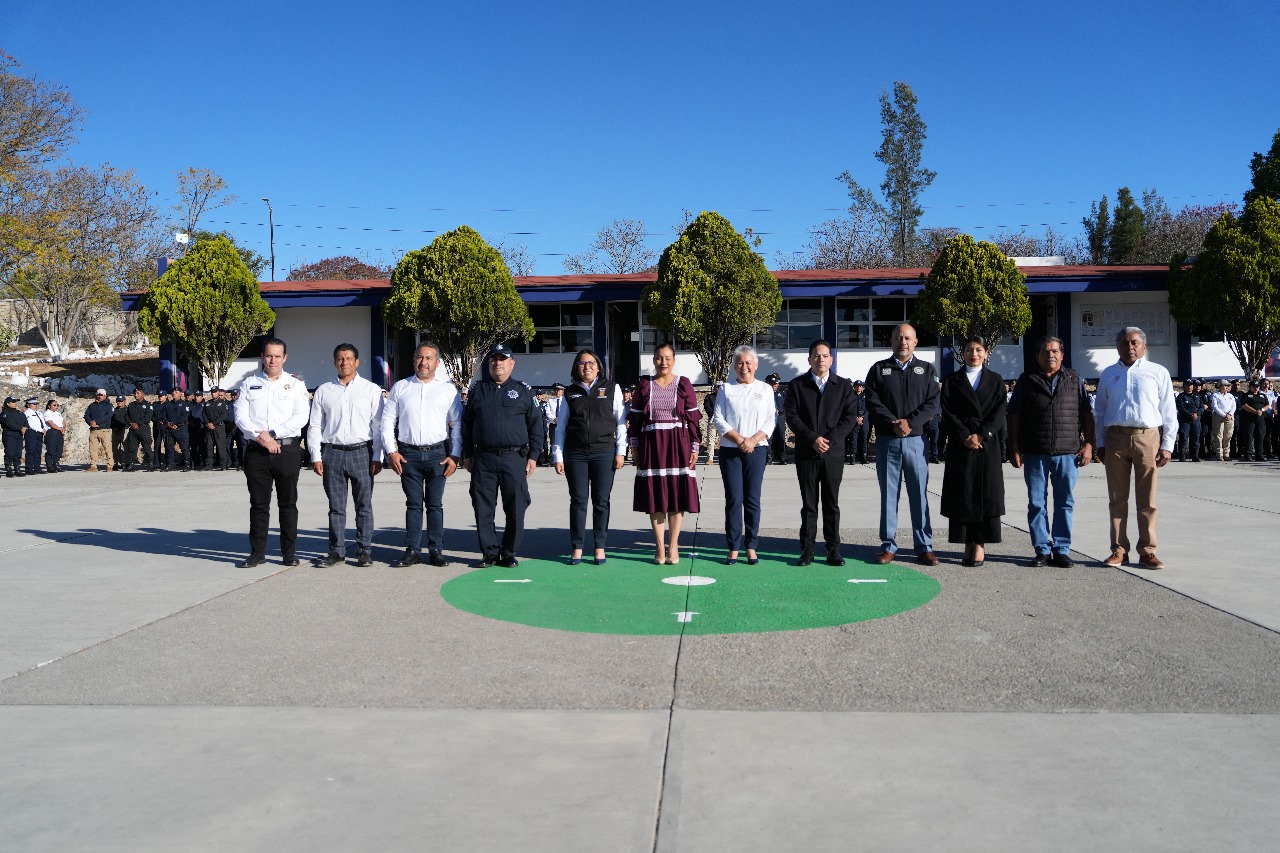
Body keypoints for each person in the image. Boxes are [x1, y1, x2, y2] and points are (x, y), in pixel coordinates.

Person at [1094, 326, 1178, 570]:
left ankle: (1148, 551)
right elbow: (1099, 411)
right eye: (1124, 343)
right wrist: (1100, 442)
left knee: (1147, 499)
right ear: (1117, 346)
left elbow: (1169, 411)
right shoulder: (1109, 374)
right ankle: (1119, 549)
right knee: (1117, 498)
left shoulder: (1157, 372)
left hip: (1147, 438)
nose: (1129, 347)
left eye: (1134, 343)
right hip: (1116, 438)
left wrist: (1168, 445)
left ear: (1144, 346)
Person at [1007, 336, 1095, 568]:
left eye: (1055, 351)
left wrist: (1089, 444)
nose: (1050, 355)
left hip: (1067, 453)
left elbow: (1087, 414)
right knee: (1037, 503)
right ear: (1038, 356)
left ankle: (1062, 549)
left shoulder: (1074, 379)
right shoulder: (1027, 380)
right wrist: (1014, 446)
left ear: (1062, 355)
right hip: (1035, 452)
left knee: (1064, 502)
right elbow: (1014, 415)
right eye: (1045, 351)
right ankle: (1042, 549)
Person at [864, 325, 941, 566]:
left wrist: (911, 423)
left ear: (916, 341)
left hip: (916, 441)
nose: (903, 342)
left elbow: (933, 403)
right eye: (898, 337)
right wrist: (893, 423)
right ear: (891, 340)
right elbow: (872, 401)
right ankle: (888, 546)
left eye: (908, 338)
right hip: (888, 441)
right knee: (889, 496)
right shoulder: (878, 369)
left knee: (919, 495)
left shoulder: (927, 370)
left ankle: (924, 546)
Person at [462, 343, 544, 568]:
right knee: (483, 508)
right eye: (494, 359)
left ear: (512, 363)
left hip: (513, 458)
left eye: (503, 359)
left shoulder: (524, 391)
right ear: (489, 363)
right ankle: (489, 553)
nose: (498, 363)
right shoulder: (478, 390)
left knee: (516, 507)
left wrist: (534, 455)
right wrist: (467, 454)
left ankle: (508, 552)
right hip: (483, 458)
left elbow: (536, 425)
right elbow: (466, 425)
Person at [381, 342, 462, 568]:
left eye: (428, 358)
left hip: (438, 454)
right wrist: (391, 451)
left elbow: (457, 424)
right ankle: (413, 550)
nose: (423, 362)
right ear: (414, 359)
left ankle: (436, 549)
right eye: (419, 357)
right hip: (409, 455)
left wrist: (455, 455)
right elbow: (387, 421)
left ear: (437, 362)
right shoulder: (400, 387)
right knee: (413, 504)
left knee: (435, 504)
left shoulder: (447, 389)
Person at [233, 338, 310, 568]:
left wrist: (273, 433)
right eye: (269, 355)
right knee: (258, 505)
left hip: (287, 450)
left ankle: (289, 553)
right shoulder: (249, 383)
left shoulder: (295, 385)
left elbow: (300, 417)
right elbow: (240, 416)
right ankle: (257, 553)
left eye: (277, 356)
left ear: (285, 358)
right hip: (257, 452)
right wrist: (262, 438)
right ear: (262, 357)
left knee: (288, 505)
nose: (273, 360)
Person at [308, 343, 384, 568]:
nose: (344, 363)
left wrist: (377, 456)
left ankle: (364, 550)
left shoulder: (371, 390)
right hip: (332, 453)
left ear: (357, 362)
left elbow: (378, 425)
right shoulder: (324, 390)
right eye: (340, 359)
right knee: (336, 507)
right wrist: (315, 455)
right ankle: (336, 551)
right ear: (334, 362)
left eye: (349, 358)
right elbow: (314, 425)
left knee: (364, 505)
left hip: (362, 452)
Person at [784, 339, 859, 566]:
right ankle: (807, 550)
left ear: (831, 359)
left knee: (831, 503)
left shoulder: (843, 385)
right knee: (809, 504)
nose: (821, 359)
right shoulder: (798, 385)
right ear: (809, 359)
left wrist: (830, 440)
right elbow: (792, 417)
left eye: (825, 355)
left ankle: (833, 550)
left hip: (833, 453)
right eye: (816, 356)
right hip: (807, 452)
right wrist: (813, 438)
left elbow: (849, 417)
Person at [629, 343, 701, 565]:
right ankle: (659, 547)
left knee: (676, 496)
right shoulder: (644, 385)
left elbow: (693, 419)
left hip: (678, 444)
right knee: (656, 497)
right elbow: (635, 419)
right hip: (651, 444)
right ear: (653, 360)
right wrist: (635, 446)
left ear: (674, 360)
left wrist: (695, 446)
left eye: (668, 358)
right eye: (659, 358)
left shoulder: (684, 384)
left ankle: (674, 545)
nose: (664, 362)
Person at [552, 348, 626, 565]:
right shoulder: (569, 392)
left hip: (604, 451)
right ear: (577, 367)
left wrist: (621, 451)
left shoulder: (612, 389)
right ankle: (577, 547)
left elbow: (620, 422)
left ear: (598, 366)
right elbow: (561, 426)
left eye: (591, 362)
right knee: (578, 501)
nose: (587, 367)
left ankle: (600, 546)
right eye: (582, 363)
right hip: (575, 454)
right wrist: (558, 454)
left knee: (601, 501)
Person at [939, 337, 1006, 567]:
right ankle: (967, 542)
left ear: (987, 353)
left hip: (986, 445)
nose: (974, 354)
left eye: (978, 350)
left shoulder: (996, 381)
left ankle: (980, 543)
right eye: (969, 350)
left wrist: (982, 435)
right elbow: (947, 411)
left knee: (985, 494)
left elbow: (999, 412)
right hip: (962, 445)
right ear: (962, 353)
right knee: (964, 494)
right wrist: (964, 435)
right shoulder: (952, 380)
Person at [714, 345, 776, 565]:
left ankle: (751, 545)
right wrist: (740, 440)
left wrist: (752, 440)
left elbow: (771, 420)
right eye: (740, 362)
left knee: (752, 499)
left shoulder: (766, 389)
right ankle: (733, 546)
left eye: (749, 362)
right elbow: (718, 419)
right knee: (733, 499)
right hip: (731, 451)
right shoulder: (726, 389)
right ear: (734, 366)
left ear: (756, 365)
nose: (744, 367)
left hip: (756, 450)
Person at [124, 387, 155, 472]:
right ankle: (131, 464)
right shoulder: (131, 405)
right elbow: (126, 416)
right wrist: (131, 423)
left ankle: (151, 464)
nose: (136, 395)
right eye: (135, 393)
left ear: (142, 394)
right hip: (133, 430)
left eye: (138, 393)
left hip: (143, 429)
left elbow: (148, 417)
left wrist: (138, 424)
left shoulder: (148, 405)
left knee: (146, 447)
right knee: (132, 448)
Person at [83, 388, 113, 473]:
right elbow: (86, 415)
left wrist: (97, 422)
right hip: (93, 430)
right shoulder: (92, 405)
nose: (99, 396)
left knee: (107, 448)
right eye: (98, 394)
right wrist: (90, 422)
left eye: (101, 395)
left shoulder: (109, 406)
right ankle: (93, 466)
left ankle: (110, 465)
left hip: (104, 430)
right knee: (93, 449)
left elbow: (108, 416)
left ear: (105, 396)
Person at [1237, 380, 1267, 462]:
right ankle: (1248, 455)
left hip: (1260, 418)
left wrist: (1262, 410)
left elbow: (1267, 405)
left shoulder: (1262, 395)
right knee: (1249, 437)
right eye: (1254, 387)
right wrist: (1254, 411)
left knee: (1260, 436)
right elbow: (1244, 405)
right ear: (1250, 387)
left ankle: (1259, 454)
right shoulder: (1246, 395)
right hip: (1249, 419)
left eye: (1257, 387)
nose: (1256, 388)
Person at [162, 388, 191, 471]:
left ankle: (187, 464)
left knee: (184, 447)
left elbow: (185, 416)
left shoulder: (184, 404)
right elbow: (163, 415)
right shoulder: (168, 404)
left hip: (180, 428)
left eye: (176, 392)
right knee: (169, 447)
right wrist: (168, 423)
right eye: (173, 392)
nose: (174, 393)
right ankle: (170, 464)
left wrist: (175, 423)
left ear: (181, 394)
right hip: (170, 429)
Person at [1175, 379, 1202, 462]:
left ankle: (1195, 455)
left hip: (1196, 419)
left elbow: (1201, 407)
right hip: (1185, 420)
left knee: (1196, 437)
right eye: (1187, 385)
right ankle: (1182, 455)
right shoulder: (1181, 396)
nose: (1189, 387)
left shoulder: (1197, 396)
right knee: (1183, 437)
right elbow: (1180, 407)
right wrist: (1190, 414)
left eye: (1191, 385)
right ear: (1184, 386)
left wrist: (1197, 414)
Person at [1209, 380, 1236, 462]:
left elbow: (1233, 406)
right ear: (1219, 386)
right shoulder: (1215, 395)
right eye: (1224, 386)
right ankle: (1219, 454)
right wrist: (1224, 415)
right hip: (1219, 416)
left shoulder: (1230, 395)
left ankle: (1226, 454)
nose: (1226, 387)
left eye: (1227, 386)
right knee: (1219, 435)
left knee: (1228, 435)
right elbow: (1215, 407)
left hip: (1229, 416)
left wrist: (1230, 414)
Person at [202, 389, 228, 471]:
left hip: (219, 427)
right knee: (209, 446)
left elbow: (224, 415)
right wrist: (208, 423)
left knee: (221, 447)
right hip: (209, 428)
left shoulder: (223, 403)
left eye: (215, 392)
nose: (213, 394)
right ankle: (209, 465)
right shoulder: (208, 403)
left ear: (218, 393)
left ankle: (223, 465)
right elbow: (204, 414)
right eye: (212, 392)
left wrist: (214, 423)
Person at [3, 396, 27, 477]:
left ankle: (17, 468)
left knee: (18, 452)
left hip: (18, 434)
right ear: (8, 403)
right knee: (10, 452)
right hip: (9, 434)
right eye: (13, 402)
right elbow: (9, 424)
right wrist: (20, 428)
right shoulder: (5, 413)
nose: (15, 403)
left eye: (15, 402)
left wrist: (25, 427)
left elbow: (25, 421)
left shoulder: (18, 412)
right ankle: (8, 468)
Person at [540, 383, 564, 466]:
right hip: (553, 425)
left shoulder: (565, 401)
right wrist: (554, 418)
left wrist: (560, 419)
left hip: (563, 425)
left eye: (559, 390)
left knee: (563, 442)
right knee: (553, 442)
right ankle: (554, 459)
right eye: (556, 390)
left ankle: (563, 459)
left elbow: (566, 412)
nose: (558, 392)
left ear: (562, 391)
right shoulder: (550, 401)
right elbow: (547, 412)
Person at [766, 374, 787, 464]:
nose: (774, 386)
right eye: (772, 384)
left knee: (781, 436)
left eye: (776, 384)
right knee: (769, 438)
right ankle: (769, 457)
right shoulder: (765, 394)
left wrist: (781, 410)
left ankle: (782, 456)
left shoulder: (781, 393)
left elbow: (787, 405)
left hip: (780, 417)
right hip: (768, 417)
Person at [42, 399, 65, 473]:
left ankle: (56, 463)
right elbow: (50, 423)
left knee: (59, 449)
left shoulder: (58, 413)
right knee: (51, 449)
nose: (56, 407)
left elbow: (63, 422)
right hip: (52, 432)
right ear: (49, 406)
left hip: (59, 432)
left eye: (57, 405)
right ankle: (50, 465)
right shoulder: (47, 413)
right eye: (54, 405)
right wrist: (59, 429)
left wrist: (63, 428)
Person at [110, 395, 129, 471]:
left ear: (124, 401)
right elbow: (110, 420)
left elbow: (130, 419)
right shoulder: (114, 410)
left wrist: (126, 426)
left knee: (125, 447)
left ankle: (126, 462)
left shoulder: (128, 410)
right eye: (118, 401)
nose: (119, 402)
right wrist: (113, 427)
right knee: (115, 448)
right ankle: (116, 463)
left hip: (125, 429)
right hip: (115, 430)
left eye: (121, 401)